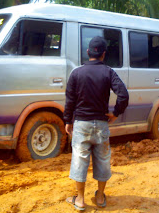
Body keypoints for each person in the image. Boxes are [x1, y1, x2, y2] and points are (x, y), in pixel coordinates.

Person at [64, 36, 129, 210]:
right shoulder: (109, 72)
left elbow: (70, 100)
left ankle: (79, 200)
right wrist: (115, 113)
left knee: (79, 160)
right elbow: (123, 94)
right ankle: (100, 198)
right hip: (101, 125)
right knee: (102, 160)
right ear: (103, 54)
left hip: (81, 124)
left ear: (88, 52)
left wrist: (67, 121)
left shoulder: (76, 73)